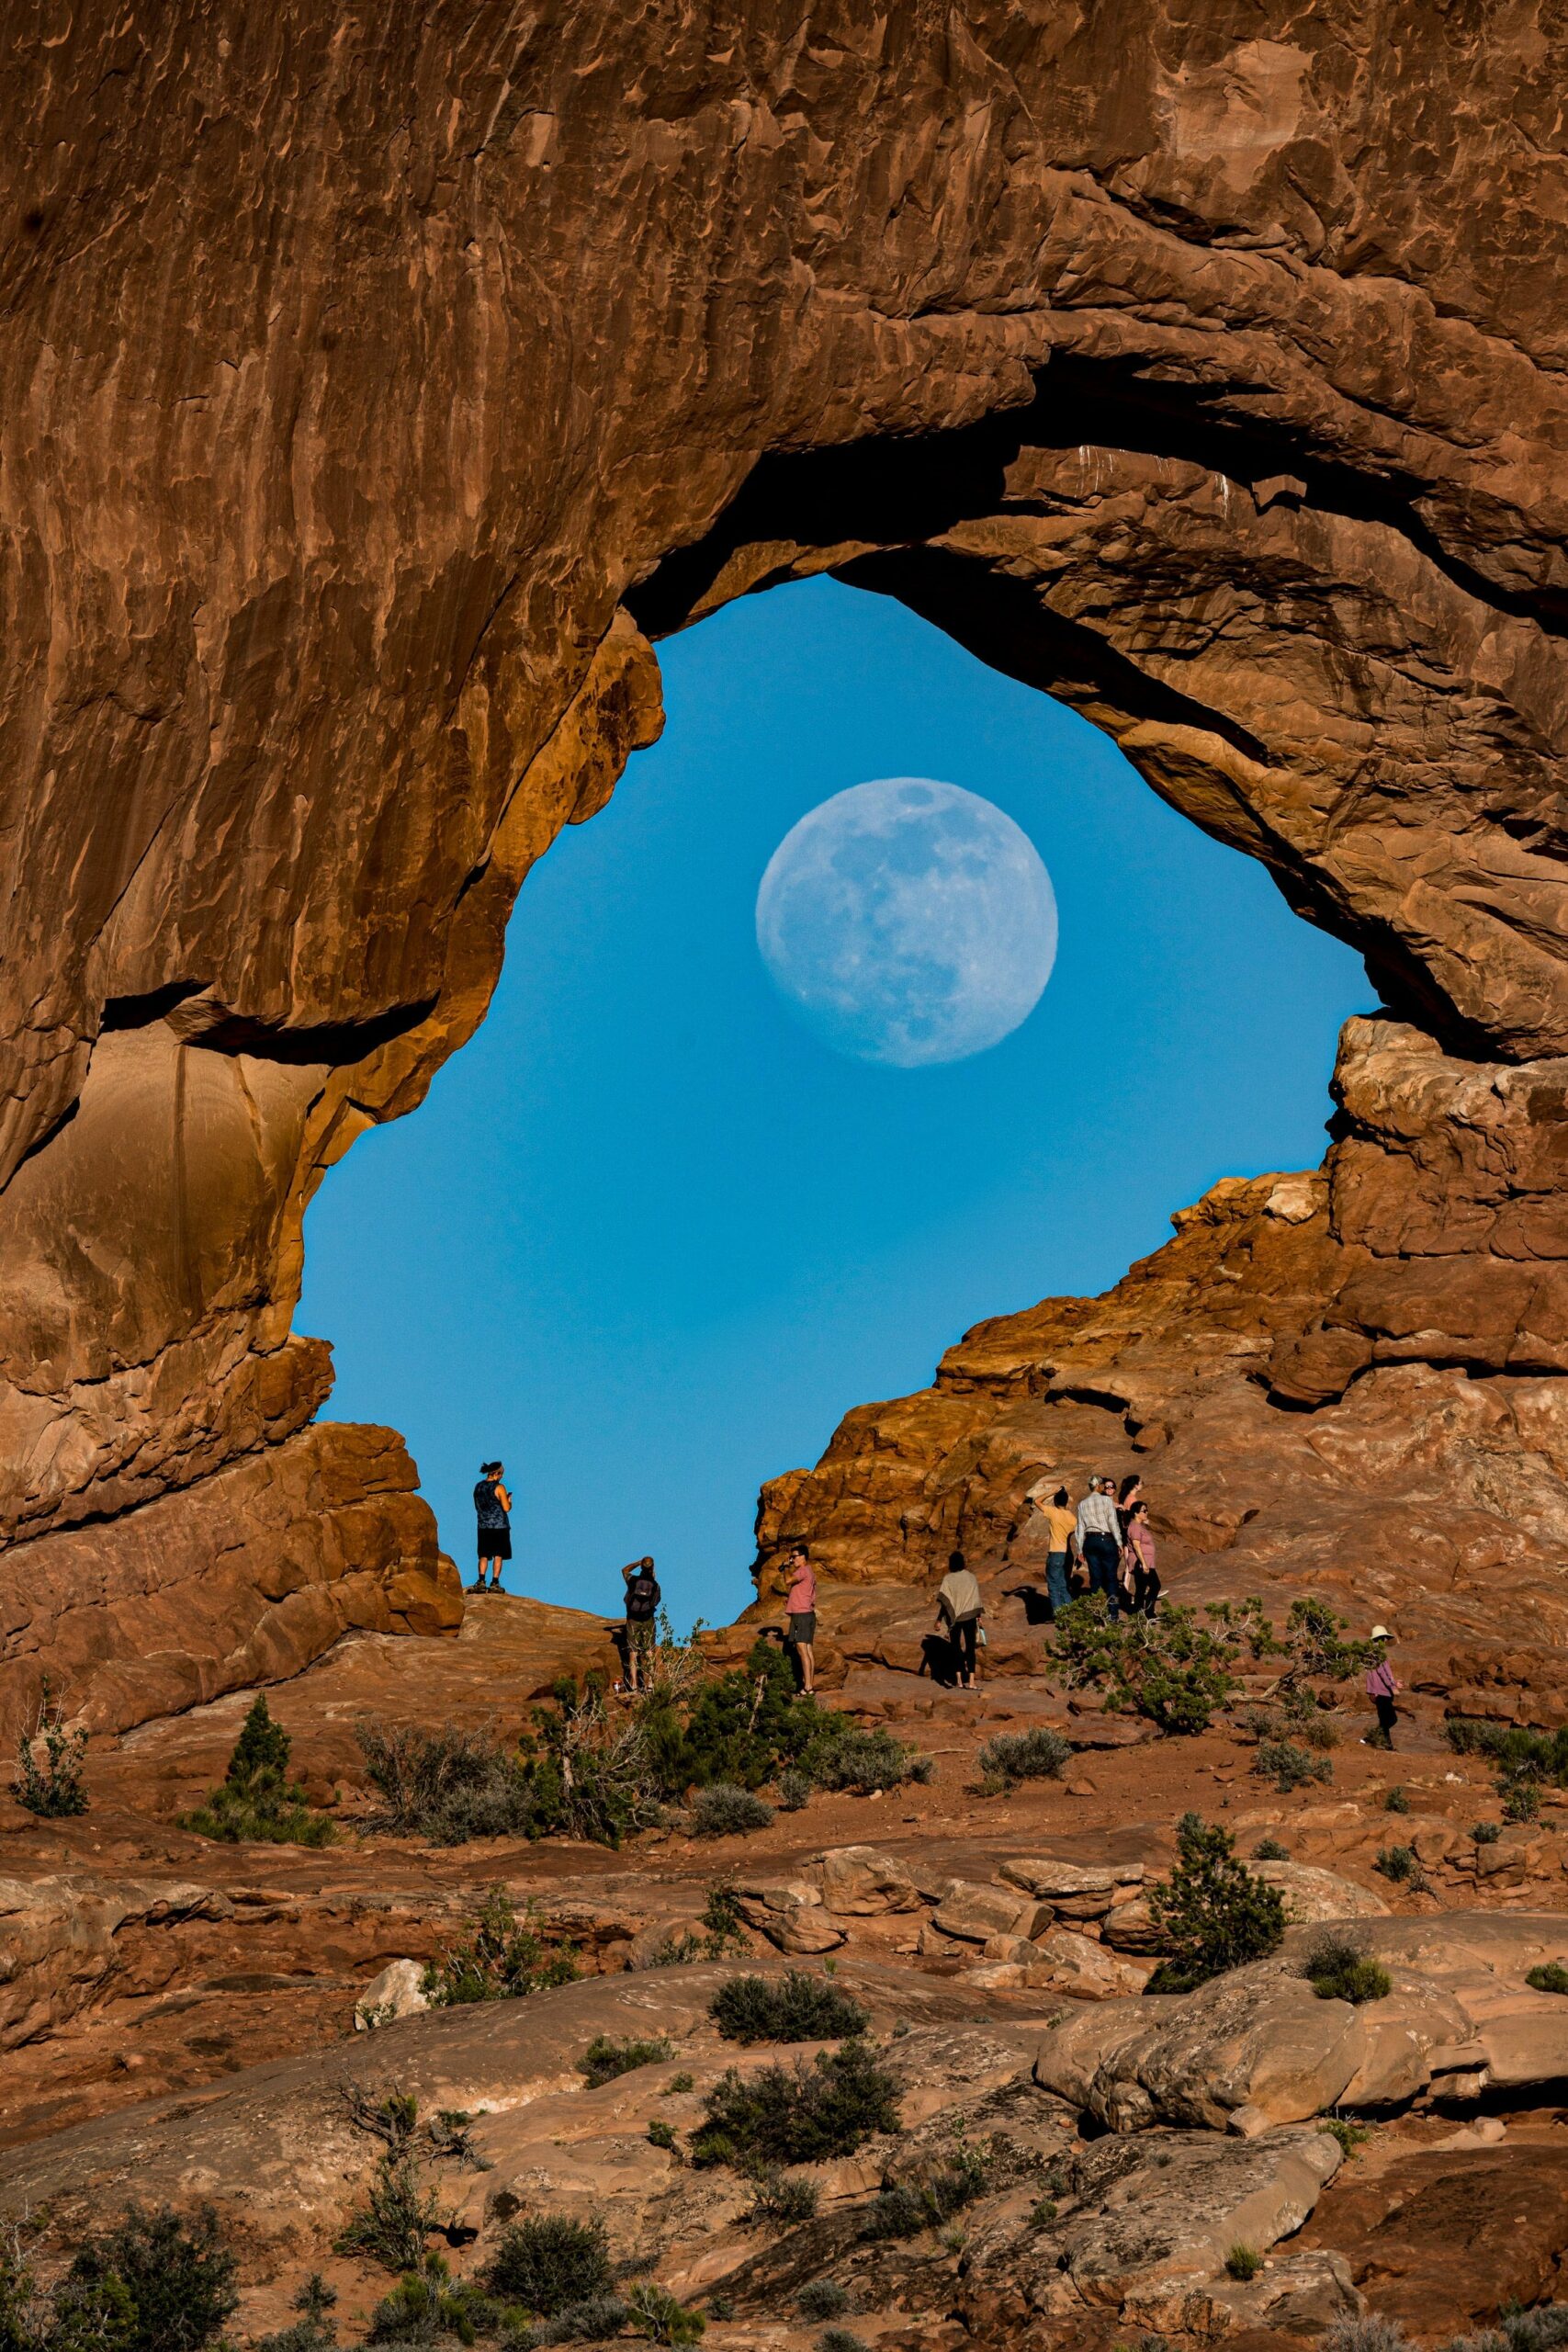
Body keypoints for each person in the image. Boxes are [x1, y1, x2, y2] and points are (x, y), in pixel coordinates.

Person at [1075, 1476, 1123, 1619]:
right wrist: (1119, 1542)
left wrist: (1079, 1549)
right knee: (1111, 1579)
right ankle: (1113, 1614)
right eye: (1102, 1485)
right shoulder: (1106, 1501)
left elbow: (1080, 1528)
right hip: (1106, 1539)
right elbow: (1113, 1523)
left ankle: (1097, 1613)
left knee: (1095, 1579)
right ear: (1099, 1486)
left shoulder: (1082, 1504)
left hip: (1090, 1541)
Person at [935, 1550, 985, 1689]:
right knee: (970, 1648)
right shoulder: (971, 1577)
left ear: (951, 1563)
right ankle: (972, 1682)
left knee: (955, 1648)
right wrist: (979, 1616)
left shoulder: (948, 1579)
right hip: (970, 1616)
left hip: (954, 1618)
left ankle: (959, 1681)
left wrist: (939, 1619)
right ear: (963, 1562)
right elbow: (976, 1599)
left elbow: (945, 1603)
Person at [1030, 1483, 1078, 1618]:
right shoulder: (1072, 1517)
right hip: (1066, 1553)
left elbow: (1037, 1501)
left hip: (1055, 1552)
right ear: (1066, 1501)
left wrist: (1051, 1492)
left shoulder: (1053, 1512)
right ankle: (1071, 1612)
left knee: (1053, 1584)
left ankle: (1059, 1615)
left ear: (1056, 1501)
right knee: (1062, 1584)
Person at [622, 1555, 660, 1692]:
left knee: (633, 1652)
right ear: (652, 1568)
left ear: (642, 1567)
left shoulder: (633, 1581)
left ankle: (633, 1685)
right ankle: (650, 1684)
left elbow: (624, 1570)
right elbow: (655, 1602)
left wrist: (638, 1563)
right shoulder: (655, 1586)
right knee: (649, 1652)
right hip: (647, 1620)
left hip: (633, 1619)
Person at [472, 1461, 512, 1593]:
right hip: (499, 1526)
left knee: (483, 1554)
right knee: (498, 1555)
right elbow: (506, 1508)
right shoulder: (499, 1487)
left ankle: (481, 1581)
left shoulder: (478, 1487)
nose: (502, 1477)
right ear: (497, 1473)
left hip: (483, 1525)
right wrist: (509, 1501)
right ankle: (494, 1583)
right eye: (501, 1474)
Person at [784, 1544, 818, 1695]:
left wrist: (785, 1567)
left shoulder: (803, 1570)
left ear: (803, 1556)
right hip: (808, 1614)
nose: (792, 1560)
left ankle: (808, 1687)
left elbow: (788, 1581)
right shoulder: (809, 1571)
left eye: (794, 1557)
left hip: (801, 1615)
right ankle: (809, 1685)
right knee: (808, 1650)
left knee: (802, 1650)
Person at [1121, 1499, 1159, 1618]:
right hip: (1141, 1562)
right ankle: (1149, 1612)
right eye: (1144, 1511)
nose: (1146, 1512)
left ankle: (1138, 1612)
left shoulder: (1138, 1526)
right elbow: (1136, 1546)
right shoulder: (1135, 1526)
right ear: (1136, 1513)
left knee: (1141, 1588)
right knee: (1155, 1586)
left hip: (1144, 1562)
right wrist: (1144, 1563)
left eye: (1147, 1510)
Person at [1362, 1626, 1399, 1747]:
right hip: (1382, 1692)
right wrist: (1392, 1686)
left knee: (1384, 1720)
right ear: (1380, 1639)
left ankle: (1388, 1746)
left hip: (1379, 1692)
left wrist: (1395, 1683)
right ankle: (1370, 1738)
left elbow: (1381, 1674)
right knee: (1391, 1719)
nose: (1386, 1641)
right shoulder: (1377, 1654)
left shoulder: (1371, 1653)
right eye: (1384, 1639)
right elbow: (1383, 1672)